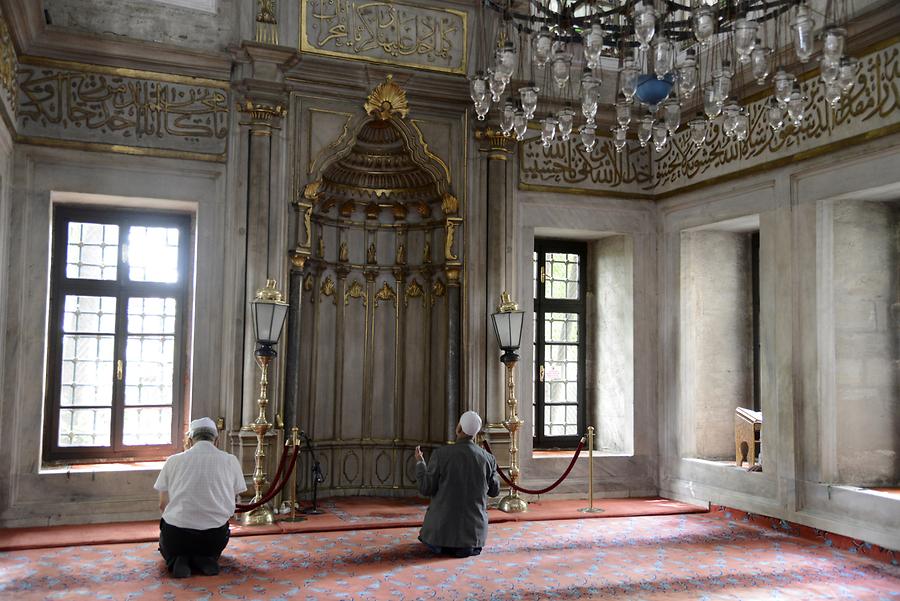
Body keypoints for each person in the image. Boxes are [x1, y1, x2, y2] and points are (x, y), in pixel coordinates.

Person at [153, 417, 246, 578]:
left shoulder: (173, 461)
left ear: (189, 440)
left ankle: (178, 559)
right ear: (216, 440)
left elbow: (163, 505)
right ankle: (205, 559)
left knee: (169, 539)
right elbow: (234, 498)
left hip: (176, 536)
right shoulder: (230, 461)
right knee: (212, 540)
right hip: (213, 537)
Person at [415, 410, 500, 558]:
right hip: (474, 539)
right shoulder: (488, 458)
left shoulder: (441, 455)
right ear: (476, 433)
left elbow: (425, 488)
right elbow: (494, 491)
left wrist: (420, 463)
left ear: (458, 428)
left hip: (439, 538)